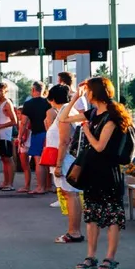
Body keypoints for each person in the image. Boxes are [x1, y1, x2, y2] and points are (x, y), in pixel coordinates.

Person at [74, 76, 131, 269]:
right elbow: (63, 118)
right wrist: (75, 97)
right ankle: (90, 257)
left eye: (88, 90)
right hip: (93, 172)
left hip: (108, 172)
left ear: (96, 92)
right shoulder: (93, 113)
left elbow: (99, 146)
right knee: (92, 216)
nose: (87, 94)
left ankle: (110, 258)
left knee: (112, 216)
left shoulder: (112, 117)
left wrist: (87, 131)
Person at [45, 84, 83, 243]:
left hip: (66, 160)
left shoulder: (64, 112)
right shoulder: (70, 110)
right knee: (71, 194)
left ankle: (74, 232)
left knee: (70, 194)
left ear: (52, 99)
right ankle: (74, 231)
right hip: (68, 159)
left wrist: (59, 165)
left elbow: (64, 141)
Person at [20, 82, 51, 194]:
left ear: (33, 89)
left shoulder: (28, 104)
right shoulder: (48, 102)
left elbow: (24, 122)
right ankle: (48, 186)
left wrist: (20, 136)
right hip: (48, 133)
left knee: (39, 160)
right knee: (47, 161)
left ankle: (40, 187)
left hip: (37, 133)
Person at [0, 83, 18, 191]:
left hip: (5, 135)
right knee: (3, 159)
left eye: (1, 90)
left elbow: (14, 121)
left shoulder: (7, 103)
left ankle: (10, 183)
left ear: (6, 91)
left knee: (8, 158)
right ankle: (5, 182)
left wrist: (0, 126)